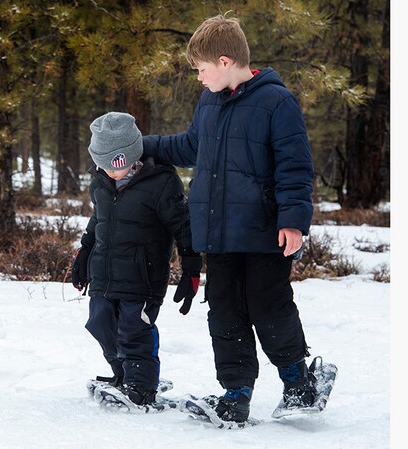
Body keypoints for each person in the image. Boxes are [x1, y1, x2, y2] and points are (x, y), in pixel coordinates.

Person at [141, 14, 318, 422]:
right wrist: (141, 145)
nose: (199, 78)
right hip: (218, 233)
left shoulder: (277, 101)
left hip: (263, 232)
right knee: (223, 311)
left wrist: (293, 221)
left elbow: (295, 166)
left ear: (224, 61)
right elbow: (189, 146)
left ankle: (299, 386)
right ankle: (235, 393)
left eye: (201, 70)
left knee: (267, 307)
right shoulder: (210, 101)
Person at [70, 111, 203, 407]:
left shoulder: (161, 182)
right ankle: (123, 374)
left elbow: (183, 227)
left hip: (143, 276)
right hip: (104, 273)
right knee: (100, 323)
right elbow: (98, 220)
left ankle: (141, 387)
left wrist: (191, 267)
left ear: (132, 155)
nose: (112, 171)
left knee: (134, 330)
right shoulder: (100, 182)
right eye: (104, 165)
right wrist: (85, 251)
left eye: (117, 164)